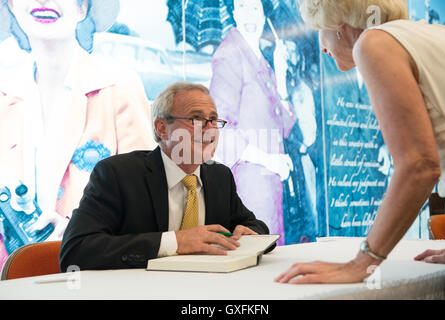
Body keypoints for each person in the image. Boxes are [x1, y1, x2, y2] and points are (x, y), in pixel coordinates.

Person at [275, 0, 445, 284]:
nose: (321, 46)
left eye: (321, 29)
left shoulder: (374, 43)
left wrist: (362, 263)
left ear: (341, 24)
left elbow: (419, 166)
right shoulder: (435, 35)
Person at [0, 0, 156, 265]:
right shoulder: (5, 93)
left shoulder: (118, 88)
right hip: (14, 278)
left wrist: (79, 229)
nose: (43, 1)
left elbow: (146, 204)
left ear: (83, 8)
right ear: (12, 5)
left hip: (93, 277)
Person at [59, 82, 270, 271]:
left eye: (213, 120)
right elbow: (76, 251)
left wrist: (250, 233)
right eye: (197, 119)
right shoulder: (117, 174)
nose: (209, 130)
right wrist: (176, 242)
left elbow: (254, 225)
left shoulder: (220, 176)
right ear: (162, 128)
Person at [209, 0, 296, 245]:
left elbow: (285, 126)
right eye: (243, 6)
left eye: (255, 8)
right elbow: (219, 127)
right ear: (234, 12)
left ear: (263, 13)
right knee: (258, 261)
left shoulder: (262, 61)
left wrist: (280, 77)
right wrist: (269, 160)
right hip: (248, 186)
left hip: (269, 185)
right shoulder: (230, 55)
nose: (250, 15)